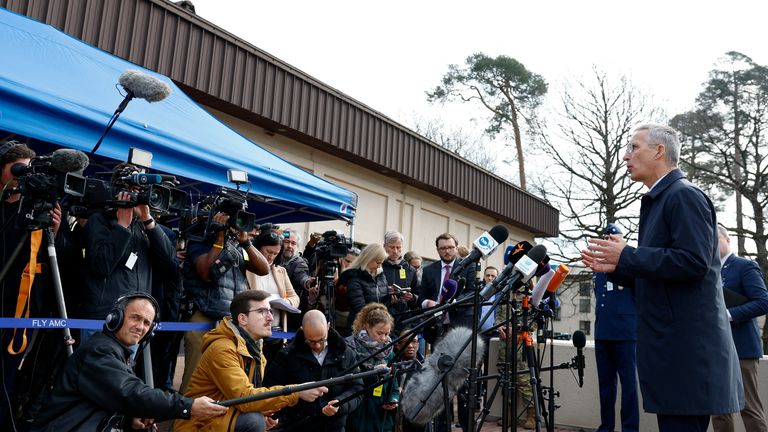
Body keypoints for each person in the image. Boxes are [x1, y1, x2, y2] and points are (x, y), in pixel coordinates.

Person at [581, 124, 743, 432]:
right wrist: (619, 269)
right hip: (674, 353)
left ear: (659, 151)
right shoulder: (663, 199)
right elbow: (665, 273)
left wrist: (628, 255)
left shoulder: (683, 196)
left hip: (687, 356)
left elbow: (694, 262)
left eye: (634, 147)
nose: (626, 156)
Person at [31, 294, 227, 431]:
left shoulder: (116, 351)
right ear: (115, 318)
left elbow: (106, 398)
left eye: (146, 323)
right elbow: (131, 393)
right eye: (135, 318)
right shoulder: (100, 351)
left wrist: (127, 420)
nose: (140, 327)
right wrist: (188, 406)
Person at [174, 290, 328, 432]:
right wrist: (297, 392)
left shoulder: (254, 347)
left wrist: (262, 411)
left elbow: (244, 397)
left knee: (257, 418)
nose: (270, 318)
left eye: (270, 311)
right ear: (242, 318)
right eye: (262, 312)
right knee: (253, 421)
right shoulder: (222, 349)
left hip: (221, 417)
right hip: (198, 424)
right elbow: (245, 398)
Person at [81, 163, 177, 344]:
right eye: (132, 189)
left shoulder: (145, 226)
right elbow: (101, 266)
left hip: (136, 319)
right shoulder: (99, 220)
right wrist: (122, 226)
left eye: (140, 190)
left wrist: (148, 221)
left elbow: (170, 263)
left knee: (124, 371)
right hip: (105, 317)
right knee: (96, 370)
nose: (136, 194)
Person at [180, 211, 270, 393]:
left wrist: (245, 241)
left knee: (233, 380)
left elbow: (263, 268)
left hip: (232, 320)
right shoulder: (199, 239)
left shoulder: (238, 245)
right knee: (195, 379)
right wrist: (219, 237)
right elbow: (205, 273)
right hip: (204, 316)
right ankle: (185, 419)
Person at [264, 310, 363, 432]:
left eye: (321, 339)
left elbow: (357, 389)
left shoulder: (345, 352)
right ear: (302, 330)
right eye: (311, 341)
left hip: (335, 426)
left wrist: (340, 404)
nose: (317, 345)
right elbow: (272, 390)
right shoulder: (287, 356)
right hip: (298, 426)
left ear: (328, 326)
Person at [712, 225, 768, 432]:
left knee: (749, 408)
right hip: (716, 349)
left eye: (716, 238)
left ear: (728, 240)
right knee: (719, 410)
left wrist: (728, 314)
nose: (712, 243)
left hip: (742, 347)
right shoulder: (707, 270)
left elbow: (763, 302)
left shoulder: (745, 266)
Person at [593, 223, 639, 432]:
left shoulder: (632, 265)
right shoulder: (599, 268)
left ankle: (630, 429)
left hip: (626, 332)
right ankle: (606, 428)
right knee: (605, 386)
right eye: (607, 239)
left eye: (614, 239)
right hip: (603, 331)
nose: (609, 242)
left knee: (629, 386)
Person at [246, 229, 300, 361]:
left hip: (276, 331)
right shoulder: (247, 266)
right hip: (253, 329)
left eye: (276, 253)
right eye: (268, 252)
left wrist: (286, 303)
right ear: (259, 247)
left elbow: (295, 297)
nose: (271, 256)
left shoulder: (280, 270)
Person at [345, 303, 399, 432]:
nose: (384, 338)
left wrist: (393, 400)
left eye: (387, 333)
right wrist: (372, 373)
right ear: (366, 326)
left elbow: (394, 385)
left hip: (381, 417)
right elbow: (347, 382)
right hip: (358, 414)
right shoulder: (350, 347)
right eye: (379, 333)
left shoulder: (389, 351)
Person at [342, 243, 390, 328]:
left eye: (381, 263)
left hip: (378, 325)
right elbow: (359, 307)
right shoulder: (354, 276)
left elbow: (382, 302)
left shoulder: (381, 275)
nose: (379, 266)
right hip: (361, 326)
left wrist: (391, 299)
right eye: (377, 262)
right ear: (368, 258)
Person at [393, 327, 429, 432]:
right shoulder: (392, 365)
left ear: (418, 344)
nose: (410, 345)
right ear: (398, 346)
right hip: (395, 418)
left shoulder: (426, 366)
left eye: (414, 341)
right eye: (406, 342)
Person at [281, 227, 316, 328]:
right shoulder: (275, 260)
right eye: (286, 242)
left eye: (293, 243)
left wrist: (308, 282)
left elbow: (302, 276)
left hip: (290, 317)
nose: (289, 246)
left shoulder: (299, 263)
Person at [381, 231, 419, 326]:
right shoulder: (378, 266)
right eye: (392, 247)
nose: (395, 251)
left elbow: (419, 294)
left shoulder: (410, 270)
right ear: (384, 246)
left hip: (403, 319)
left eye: (398, 247)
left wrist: (412, 298)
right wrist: (385, 294)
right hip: (381, 316)